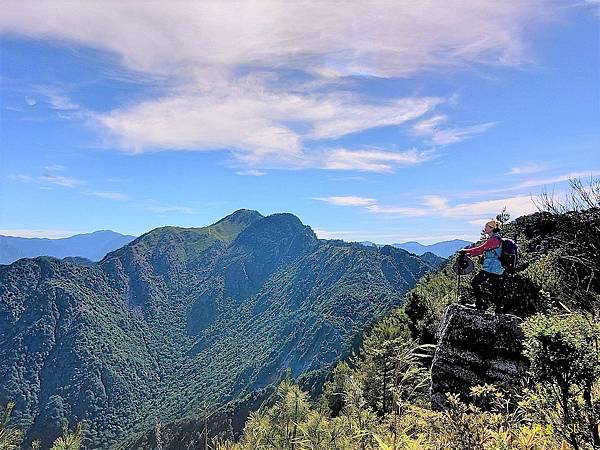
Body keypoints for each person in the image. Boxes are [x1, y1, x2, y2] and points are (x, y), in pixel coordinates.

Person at [460, 219, 504, 309]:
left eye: (486, 227)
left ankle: (480, 304)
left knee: (475, 282)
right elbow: (483, 250)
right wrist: (470, 254)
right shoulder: (494, 238)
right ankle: (498, 308)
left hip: (491, 267)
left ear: (491, 228)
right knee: (494, 287)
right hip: (495, 267)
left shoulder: (494, 240)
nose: (484, 228)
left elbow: (481, 248)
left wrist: (465, 251)